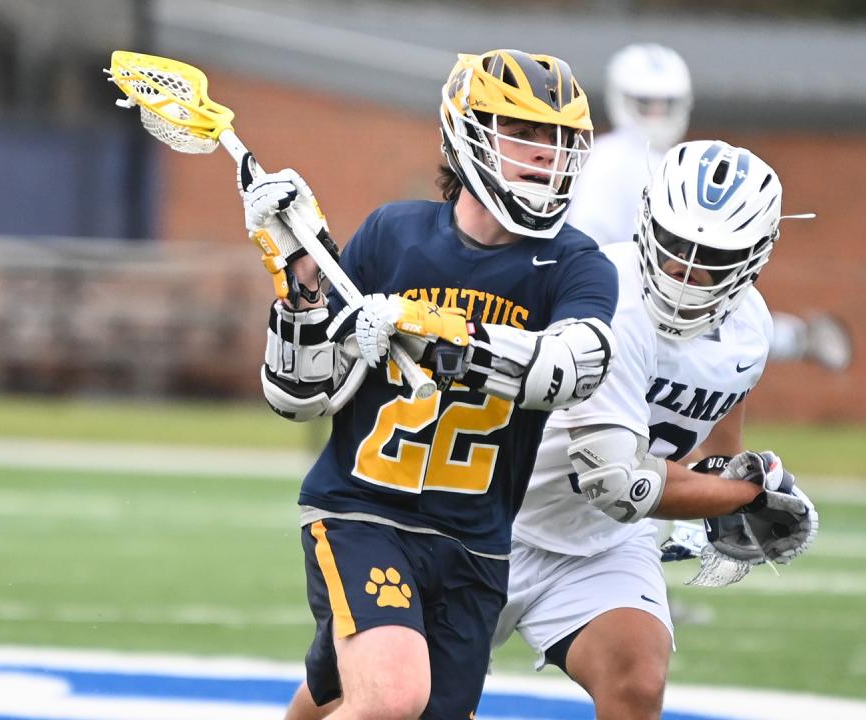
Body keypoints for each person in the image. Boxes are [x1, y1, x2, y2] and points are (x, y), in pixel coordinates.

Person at [242, 49, 618, 720]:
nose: (545, 155)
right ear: (467, 132)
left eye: (559, 138)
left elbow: (571, 369)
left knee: (352, 700)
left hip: (474, 542)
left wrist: (434, 329)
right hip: (364, 509)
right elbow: (298, 397)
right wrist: (300, 286)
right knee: (393, 698)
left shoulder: (573, 263)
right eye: (524, 133)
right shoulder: (395, 234)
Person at [493, 139, 819, 720]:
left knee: (637, 681)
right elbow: (617, 484)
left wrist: (727, 489)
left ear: (756, 255)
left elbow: (716, 450)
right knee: (375, 695)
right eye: (675, 245)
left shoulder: (751, 329)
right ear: (647, 221)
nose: (685, 270)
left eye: (711, 256)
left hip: (598, 546)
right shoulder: (607, 293)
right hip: (488, 521)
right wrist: (750, 493)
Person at [568, 42, 852, 372]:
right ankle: (795, 338)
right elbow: (592, 245)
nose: (658, 114)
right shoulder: (617, 161)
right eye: (646, 103)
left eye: (667, 104)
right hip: (623, 305)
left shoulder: (652, 160)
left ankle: (795, 338)